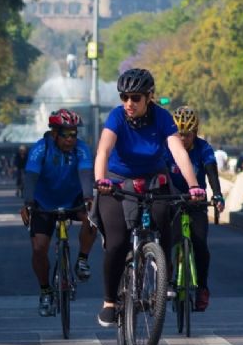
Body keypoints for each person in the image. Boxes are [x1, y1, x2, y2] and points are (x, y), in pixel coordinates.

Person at [92, 68, 205, 327]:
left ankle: (162, 275)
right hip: (116, 182)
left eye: (136, 98)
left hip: (154, 179)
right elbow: (103, 150)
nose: (129, 104)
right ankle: (110, 301)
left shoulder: (163, 118)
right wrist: (101, 181)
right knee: (117, 243)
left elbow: (178, 152)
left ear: (149, 97)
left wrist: (193, 185)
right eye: (124, 97)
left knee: (165, 216)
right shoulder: (116, 117)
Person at [19, 109, 98, 317]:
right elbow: (31, 176)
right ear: (54, 133)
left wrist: (89, 197)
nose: (71, 139)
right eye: (66, 135)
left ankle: (82, 260)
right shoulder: (40, 148)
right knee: (39, 248)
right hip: (44, 202)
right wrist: (28, 202)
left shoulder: (81, 149)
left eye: (74, 134)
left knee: (93, 217)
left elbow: (85, 173)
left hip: (73, 199)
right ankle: (45, 291)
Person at [165, 106, 225, 311]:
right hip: (171, 199)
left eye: (187, 135)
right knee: (166, 240)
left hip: (196, 201)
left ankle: (202, 288)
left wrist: (217, 194)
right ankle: (167, 279)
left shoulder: (204, 148)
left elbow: (211, 173)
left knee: (200, 245)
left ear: (195, 132)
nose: (183, 139)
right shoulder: (167, 147)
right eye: (179, 134)